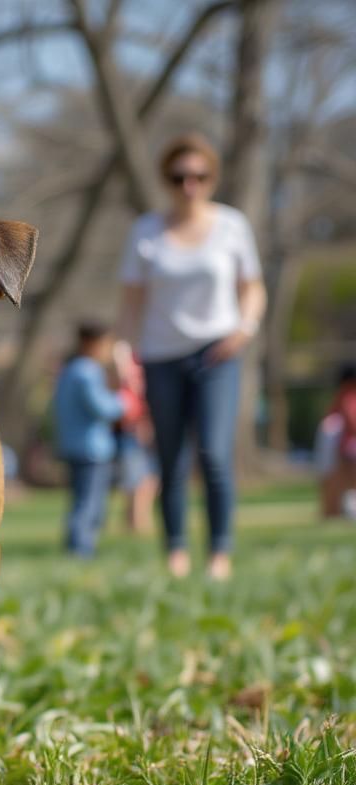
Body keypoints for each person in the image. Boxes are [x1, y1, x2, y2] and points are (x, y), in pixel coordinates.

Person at [115, 132, 267, 580]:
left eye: (199, 176)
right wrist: (123, 351)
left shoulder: (232, 226)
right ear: (167, 179)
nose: (190, 185)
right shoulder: (146, 231)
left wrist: (245, 329)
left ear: (211, 178)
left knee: (216, 455)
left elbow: (253, 288)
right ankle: (176, 553)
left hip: (218, 353)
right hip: (161, 356)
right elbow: (130, 304)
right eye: (180, 176)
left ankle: (220, 554)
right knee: (171, 459)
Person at [53, 322, 126, 558]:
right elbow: (102, 407)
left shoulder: (69, 369)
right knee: (90, 502)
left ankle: (79, 545)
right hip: (91, 448)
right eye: (106, 345)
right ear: (91, 344)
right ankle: (81, 549)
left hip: (73, 444)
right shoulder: (87, 372)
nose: (108, 351)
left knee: (81, 498)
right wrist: (123, 403)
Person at [111, 340, 159, 535]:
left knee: (147, 480)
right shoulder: (124, 356)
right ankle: (136, 522)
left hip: (143, 428)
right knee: (137, 481)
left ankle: (139, 520)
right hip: (130, 429)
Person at [315, 366, 356, 519]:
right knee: (337, 478)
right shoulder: (348, 396)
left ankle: (331, 510)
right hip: (344, 445)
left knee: (334, 479)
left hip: (344, 445)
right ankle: (332, 510)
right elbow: (351, 423)